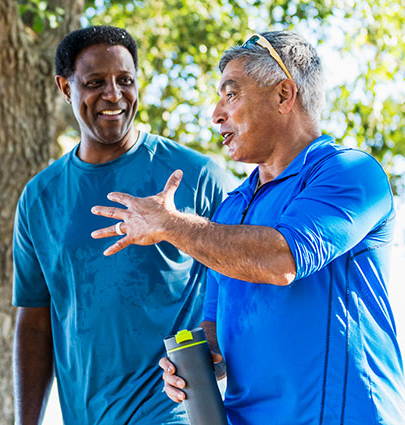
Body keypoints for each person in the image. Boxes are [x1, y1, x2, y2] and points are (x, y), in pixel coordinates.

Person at [91, 31, 405, 424]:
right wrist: (194, 363)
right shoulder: (231, 207)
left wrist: (172, 225)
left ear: (284, 95)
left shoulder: (349, 173)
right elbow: (216, 328)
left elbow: (282, 258)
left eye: (231, 94)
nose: (216, 114)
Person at [12, 26, 234, 424]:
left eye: (125, 80)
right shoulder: (39, 198)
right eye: (95, 82)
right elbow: (35, 323)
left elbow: (244, 281)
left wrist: (219, 354)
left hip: (176, 413)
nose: (114, 95)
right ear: (65, 88)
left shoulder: (196, 176)